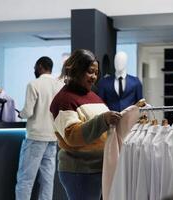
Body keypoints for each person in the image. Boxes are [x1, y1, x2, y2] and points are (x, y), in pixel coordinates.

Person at [50, 49, 122, 200]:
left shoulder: (93, 96)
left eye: (96, 73)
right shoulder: (64, 100)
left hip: (97, 169)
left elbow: (104, 129)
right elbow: (72, 135)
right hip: (80, 170)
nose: (94, 77)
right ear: (76, 70)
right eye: (90, 72)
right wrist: (103, 120)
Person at [15, 56, 63, 200]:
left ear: (40, 66)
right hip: (52, 138)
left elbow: (28, 112)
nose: (34, 70)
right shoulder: (59, 85)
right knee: (47, 182)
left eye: (35, 67)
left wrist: (19, 113)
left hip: (36, 137)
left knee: (25, 180)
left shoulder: (33, 84)